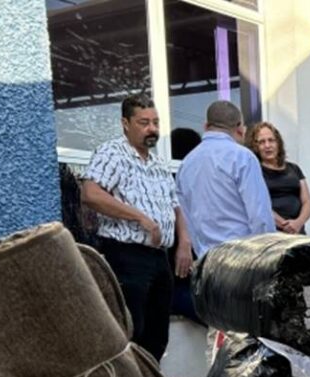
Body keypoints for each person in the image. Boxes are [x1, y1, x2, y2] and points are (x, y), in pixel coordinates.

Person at [81, 94, 192, 362]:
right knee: (132, 328)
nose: (152, 129)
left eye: (155, 122)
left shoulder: (158, 162)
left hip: (159, 257)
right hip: (126, 254)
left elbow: (174, 205)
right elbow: (90, 193)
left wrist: (184, 242)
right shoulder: (113, 153)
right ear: (125, 123)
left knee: (157, 333)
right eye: (144, 122)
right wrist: (139, 217)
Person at [176, 101, 276, 257]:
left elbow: (188, 219)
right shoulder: (243, 157)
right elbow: (260, 216)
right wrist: (267, 254)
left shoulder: (186, 164)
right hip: (243, 256)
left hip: (207, 259)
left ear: (206, 126)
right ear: (239, 128)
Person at [246, 121, 310, 235]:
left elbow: (307, 202)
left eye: (271, 140)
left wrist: (298, 223)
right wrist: (285, 225)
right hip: (272, 234)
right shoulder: (255, 172)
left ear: (278, 143)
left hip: (298, 232)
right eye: (262, 142)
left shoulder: (294, 169)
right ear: (256, 147)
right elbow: (259, 205)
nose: (267, 145)